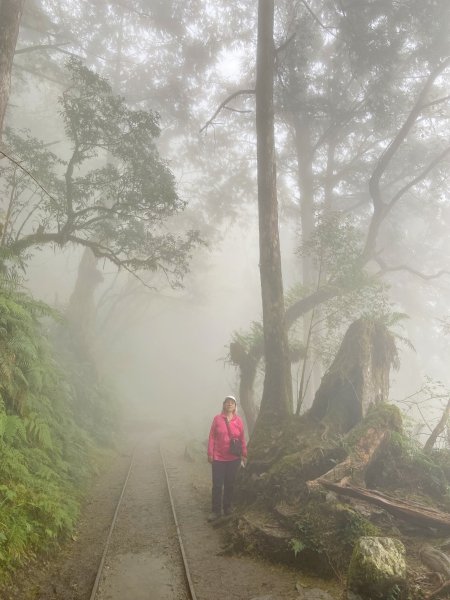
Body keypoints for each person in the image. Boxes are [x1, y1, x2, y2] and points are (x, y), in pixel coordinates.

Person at [207, 395, 247, 521]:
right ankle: (216, 511)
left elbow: (242, 438)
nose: (229, 404)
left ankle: (227, 508)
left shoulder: (238, 421)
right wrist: (210, 453)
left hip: (233, 458)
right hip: (218, 458)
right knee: (217, 485)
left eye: (232, 403)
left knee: (230, 484)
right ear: (223, 405)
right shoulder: (217, 419)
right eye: (227, 402)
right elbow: (212, 436)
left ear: (235, 406)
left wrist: (244, 454)